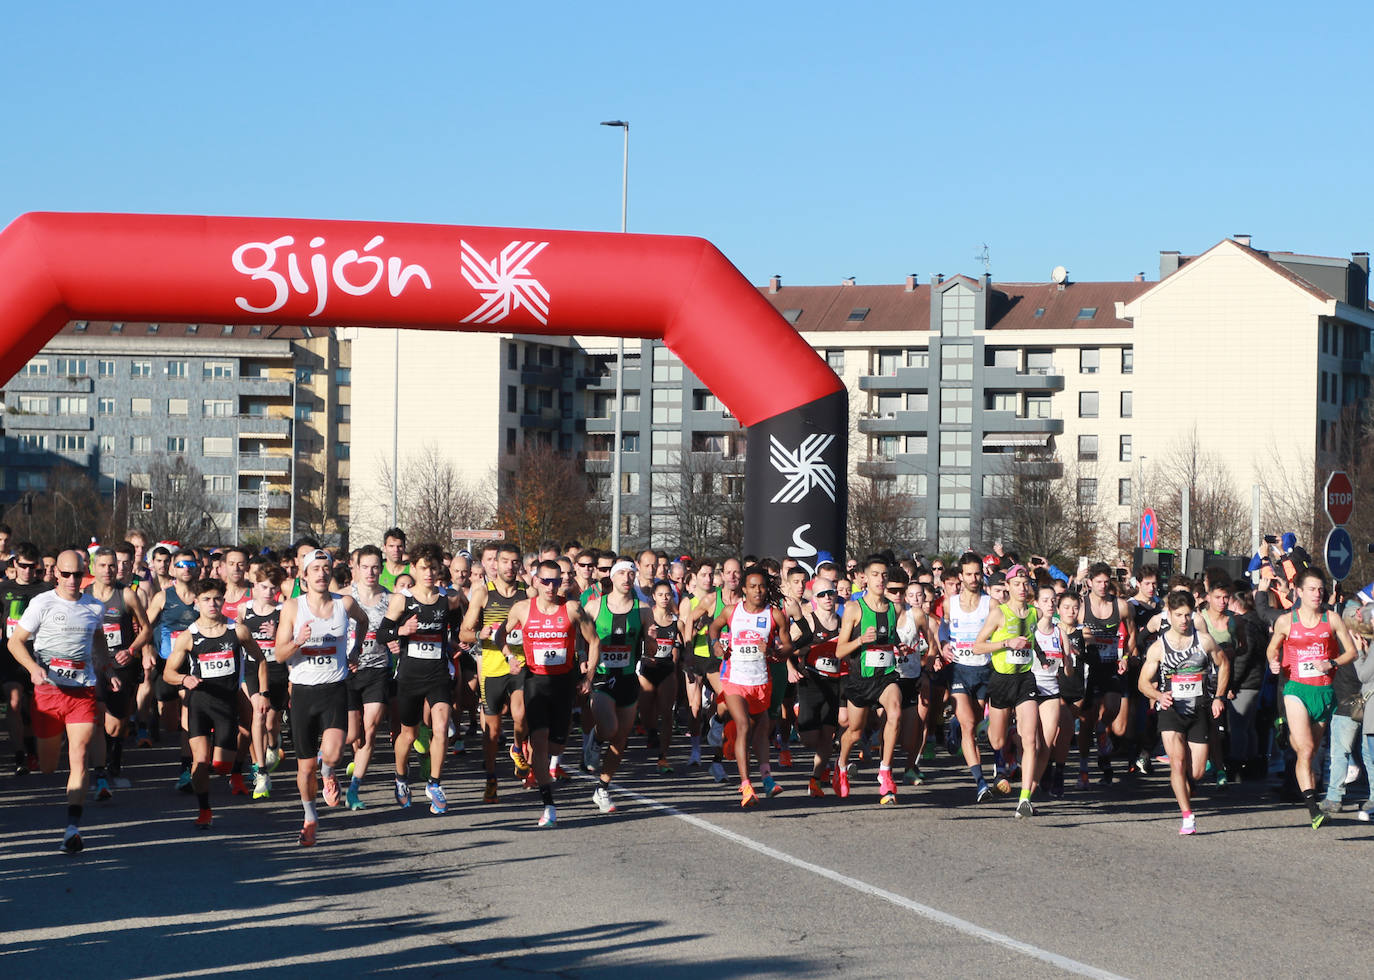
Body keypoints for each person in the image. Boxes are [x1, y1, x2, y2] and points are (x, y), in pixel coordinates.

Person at [7, 549, 109, 852]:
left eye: (78, 574)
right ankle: (50, 746)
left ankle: (72, 828)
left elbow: (99, 640)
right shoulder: (42, 603)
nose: (72, 580)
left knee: (79, 754)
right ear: (56, 575)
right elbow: (15, 642)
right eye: (66, 574)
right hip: (48, 691)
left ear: (84, 573)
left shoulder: (94, 606)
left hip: (82, 690)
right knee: (50, 766)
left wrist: (107, 667)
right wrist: (33, 668)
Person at [274, 549, 370, 846]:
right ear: (304, 576)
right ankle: (310, 817)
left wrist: (355, 650)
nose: (321, 573)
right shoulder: (292, 608)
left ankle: (329, 772)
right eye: (314, 569)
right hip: (302, 692)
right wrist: (297, 642)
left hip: (334, 689)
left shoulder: (346, 603)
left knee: (333, 754)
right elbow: (279, 655)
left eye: (325, 568)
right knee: (304, 768)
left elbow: (364, 623)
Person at [499, 559, 599, 828]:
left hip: (564, 684)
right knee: (540, 741)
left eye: (556, 581)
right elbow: (500, 635)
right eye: (545, 581)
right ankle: (549, 805)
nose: (551, 587)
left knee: (557, 745)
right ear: (535, 581)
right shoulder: (522, 609)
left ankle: (536, 757)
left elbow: (594, 641)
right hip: (535, 682)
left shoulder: (572, 608)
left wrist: (588, 677)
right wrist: (509, 656)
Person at [162, 578, 263, 828]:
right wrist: (184, 678)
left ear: (223, 600)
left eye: (217, 598)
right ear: (196, 603)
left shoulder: (237, 631)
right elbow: (168, 674)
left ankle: (233, 772)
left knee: (221, 766)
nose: (212, 604)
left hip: (226, 705)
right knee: (201, 761)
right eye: (206, 599)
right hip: (199, 704)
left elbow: (260, 659)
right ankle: (204, 810)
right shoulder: (188, 637)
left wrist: (263, 691)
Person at [1265, 567, 1358, 828]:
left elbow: (1351, 652)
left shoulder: (1332, 619)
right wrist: (1273, 662)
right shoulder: (1286, 621)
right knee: (1306, 750)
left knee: (1311, 751)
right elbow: (1272, 649)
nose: (1317, 594)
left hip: (1324, 692)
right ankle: (1312, 807)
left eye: (1320, 589)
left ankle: (1285, 731)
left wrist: (1332, 662)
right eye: (1312, 589)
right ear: (1299, 592)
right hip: (1296, 689)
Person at [376, 544, 462, 815]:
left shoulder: (448, 599)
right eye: (423, 567)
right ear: (413, 568)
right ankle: (401, 778)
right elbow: (382, 634)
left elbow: (458, 627)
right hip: (410, 676)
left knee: (440, 728)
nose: (428, 573)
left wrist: (460, 642)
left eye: (433, 567)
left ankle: (435, 783)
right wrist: (402, 629)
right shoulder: (402, 599)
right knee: (409, 734)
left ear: (440, 570)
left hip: (437, 674)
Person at [1139, 590, 1229, 835]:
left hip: (1199, 708)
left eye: (1188, 615)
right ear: (1169, 615)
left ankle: (1187, 786)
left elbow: (1224, 664)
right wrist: (1158, 696)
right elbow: (1143, 683)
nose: (1183, 620)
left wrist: (1218, 696)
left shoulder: (1204, 641)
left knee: (1197, 771)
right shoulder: (1159, 647)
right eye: (1179, 615)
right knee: (1177, 763)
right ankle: (1187, 816)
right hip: (1171, 710)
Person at [707, 566, 792, 806]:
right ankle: (746, 785)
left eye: (762, 586)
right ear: (744, 588)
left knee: (762, 729)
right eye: (753, 586)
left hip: (760, 681)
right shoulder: (732, 611)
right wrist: (715, 644)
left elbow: (788, 647)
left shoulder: (774, 615)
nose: (758, 590)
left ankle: (766, 777)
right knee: (743, 725)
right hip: (734, 680)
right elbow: (714, 627)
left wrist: (775, 651)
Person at [459, 541, 529, 804]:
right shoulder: (483, 593)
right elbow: (463, 632)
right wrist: (479, 633)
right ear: (495, 564)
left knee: (521, 714)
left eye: (514, 562)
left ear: (519, 564)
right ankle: (491, 778)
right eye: (505, 561)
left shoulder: (527, 592)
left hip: (520, 663)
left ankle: (517, 747)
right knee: (492, 730)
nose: (510, 567)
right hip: (491, 667)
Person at [973, 564, 1041, 817]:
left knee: (1031, 738)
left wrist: (1044, 657)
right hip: (1001, 680)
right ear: (1008, 587)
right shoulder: (999, 613)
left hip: (1025, 680)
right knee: (998, 741)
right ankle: (994, 727)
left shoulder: (1036, 613)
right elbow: (978, 646)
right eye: (1017, 584)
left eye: (1026, 583)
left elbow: (1033, 643)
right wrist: (1005, 643)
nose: (1022, 588)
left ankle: (1025, 798)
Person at [584, 560, 649, 812]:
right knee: (609, 728)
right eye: (622, 572)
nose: (627, 577)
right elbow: (580, 639)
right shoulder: (593, 607)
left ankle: (602, 788)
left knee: (621, 739)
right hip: (601, 676)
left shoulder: (643, 610)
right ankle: (595, 739)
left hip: (627, 678)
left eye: (631, 573)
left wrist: (652, 639)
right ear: (612, 577)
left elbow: (650, 650)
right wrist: (583, 664)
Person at [85, 548, 151, 793]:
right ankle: (101, 764)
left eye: (112, 565)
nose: (108, 570)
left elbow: (146, 629)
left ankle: (115, 750)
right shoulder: (85, 595)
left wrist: (132, 650)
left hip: (121, 664)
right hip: (93, 664)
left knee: (116, 723)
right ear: (93, 568)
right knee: (98, 714)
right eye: (102, 565)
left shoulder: (127, 596)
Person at [144, 549, 203, 791]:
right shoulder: (163, 597)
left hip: (195, 665)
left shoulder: (203, 596)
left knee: (188, 713)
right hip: (167, 664)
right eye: (180, 564)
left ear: (197, 568)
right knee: (170, 721)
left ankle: (187, 769)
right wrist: (146, 649)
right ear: (172, 569)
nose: (186, 568)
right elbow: (145, 627)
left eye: (190, 564)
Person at [943, 551, 996, 802]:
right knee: (969, 726)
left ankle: (954, 724)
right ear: (960, 576)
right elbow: (943, 626)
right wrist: (943, 643)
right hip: (959, 670)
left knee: (973, 722)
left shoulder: (991, 603)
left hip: (984, 670)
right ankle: (980, 782)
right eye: (969, 574)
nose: (974, 578)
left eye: (977, 573)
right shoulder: (949, 602)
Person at [345, 545, 392, 810]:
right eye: (365, 566)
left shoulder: (391, 599)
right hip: (348, 671)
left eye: (375, 567)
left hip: (378, 669)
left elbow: (400, 628)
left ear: (381, 568)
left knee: (371, 730)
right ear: (356, 568)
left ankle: (354, 790)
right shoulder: (343, 597)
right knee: (354, 735)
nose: (371, 572)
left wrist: (399, 636)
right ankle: (329, 765)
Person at [1080, 563, 1136, 785]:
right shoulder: (1081, 607)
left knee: (1112, 708)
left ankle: (1102, 732)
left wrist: (1125, 657)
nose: (1103, 586)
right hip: (1087, 669)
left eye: (1106, 582)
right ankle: (1084, 767)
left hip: (1111, 665)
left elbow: (1132, 635)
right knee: (1086, 721)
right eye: (1098, 582)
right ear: (1089, 582)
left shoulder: (1121, 606)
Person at [2, 542, 48, 775]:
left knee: (33, 709)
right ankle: (20, 754)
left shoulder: (46, 591)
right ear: (15, 564)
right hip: (10, 657)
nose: (28, 571)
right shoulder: (3, 589)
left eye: (32, 567)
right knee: (14, 701)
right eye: (23, 566)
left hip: (38, 657)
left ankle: (32, 750)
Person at [240, 563, 285, 800]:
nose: (268, 592)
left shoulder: (284, 610)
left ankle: (274, 744)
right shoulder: (244, 610)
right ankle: (261, 770)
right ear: (254, 586)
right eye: (263, 587)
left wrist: (276, 634)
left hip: (277, 669)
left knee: (270, 723)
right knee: (257, 715)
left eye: (272, 588)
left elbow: (292, 643)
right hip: (251, 669)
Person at [798, 582, 842, 796]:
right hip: (811, 682)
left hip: (834, 683)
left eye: (830, 593)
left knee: (827, 734)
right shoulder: (808, 621)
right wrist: (790, 666)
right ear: (814, 598)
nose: (827, 597)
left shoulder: (843, 623)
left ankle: (815, 780)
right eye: (822, 594)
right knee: (809, 740)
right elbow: (786, 644)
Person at [638, 580, 682, 775]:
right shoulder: (646, 617)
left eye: (668, 594)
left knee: (667, 714)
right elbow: (636, 640)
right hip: (647, 668)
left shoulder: (676, 621)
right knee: (646, 710)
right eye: (661, 594)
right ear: (653, 597)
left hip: (666, 670)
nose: (665, 598)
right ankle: (651, 732)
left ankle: (663, 757)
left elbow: (681, 645)